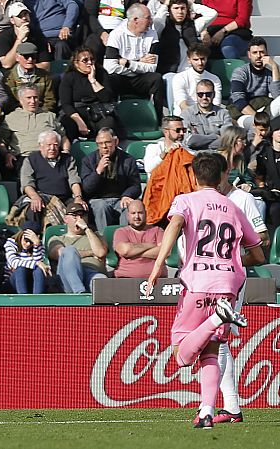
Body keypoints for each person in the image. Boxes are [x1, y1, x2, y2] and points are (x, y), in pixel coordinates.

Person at [146, 152, 264, 429]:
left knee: (182, 356)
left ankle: (215, 318)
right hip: (228, 284)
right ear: (223, 175)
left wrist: (157, 266)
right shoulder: (233, 207)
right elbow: (258, 254)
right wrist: (232, 263)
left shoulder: (185, 200)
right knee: (212, 350)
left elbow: (174, 225)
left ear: (193, 176)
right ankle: (207, 412)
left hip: (198, 282)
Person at [213, 152, 269, 424]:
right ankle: (231, 407)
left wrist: (233, 259)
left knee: (218, 337)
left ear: (226, 173)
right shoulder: (207, 199)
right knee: (216, 338)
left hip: (231, 278)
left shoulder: (243, 199)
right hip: (207, 278)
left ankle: (212, 405)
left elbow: (263, 238)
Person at [103, 4, 164, 121]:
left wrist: (128, 63)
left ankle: (158, 120)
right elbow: (109, 67)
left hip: (141, 79)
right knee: (110, 78)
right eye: (148, 18)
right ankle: (112, 120)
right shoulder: (116, 34)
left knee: (156, 78)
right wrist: (139, 61)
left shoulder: (152, 34)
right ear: (135, 20)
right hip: (121, 79)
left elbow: (152, 68)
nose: (151, 21)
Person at [18, 130, 86, 226]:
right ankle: (33, 238)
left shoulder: (68, 159)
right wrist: (34, 196)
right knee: (33, 207)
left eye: (55, 145)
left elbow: (74, 180)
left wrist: (78, 197)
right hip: (41, 197)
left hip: (64, 199)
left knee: (79, 208)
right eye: (48, 145)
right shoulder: (30, 160)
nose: (52, 148)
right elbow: (27, 183)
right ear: (40, 145)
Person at [80, 128, 141, 229]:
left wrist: (127, 195)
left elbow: (135, 185)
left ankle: (124, 239)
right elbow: (86, 189)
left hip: (120, 198)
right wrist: (98, 171)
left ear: (116, 141)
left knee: (129, 207)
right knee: (101, 206)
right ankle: (104, 239)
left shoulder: (128, 160)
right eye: (100, 143)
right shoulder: (88, 160)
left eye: (107, 142)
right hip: (98, 200)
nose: (104, 146)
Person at [1, 85, 68, 175]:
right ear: (21, 100)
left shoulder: (49, 116)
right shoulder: (11, 118)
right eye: (29, 98)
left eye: (35, 97)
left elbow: (63, 137)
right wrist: (6, 154)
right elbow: (2, 141)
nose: (33, 101)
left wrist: (66, 151)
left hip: (47, 156)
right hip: (23, 157)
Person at [59, 46, 121, 142]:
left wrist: (93, 80)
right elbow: (66, 104)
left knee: (109, 123)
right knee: (67, 123)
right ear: (76, 63)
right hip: (77, 112)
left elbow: (106, 98)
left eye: (92, 60)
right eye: (85, 60)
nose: (89, 63)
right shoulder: (69, 77)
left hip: (98, 111)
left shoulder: (101, 73)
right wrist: (79, 122)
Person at [48, 202, 108, 293]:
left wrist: (87, 229)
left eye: (82, 215)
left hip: (91, 274)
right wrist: (91, 253)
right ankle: (80, 292)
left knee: (102, 281)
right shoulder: (57, 239)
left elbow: (100, 253)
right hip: (68, 276)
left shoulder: (96, 236)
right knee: (69, 250)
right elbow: (60, 253)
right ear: (66, 219)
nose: (79, 219)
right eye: (75, 216)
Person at [228, 37, 280, 130]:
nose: (259, 56)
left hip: (264, 111)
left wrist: (274, 67)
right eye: (255, 53)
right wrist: (258, 117)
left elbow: (277, 97)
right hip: (244, 115)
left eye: (262, 52)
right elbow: (238, 100)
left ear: (267, 54)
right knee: (263, 124)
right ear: (249, 55)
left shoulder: (269, 73)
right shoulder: (240, 72)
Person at [113, 199, 167, 279]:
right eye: (133, 213)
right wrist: (151, 245)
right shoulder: (121, 232)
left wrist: (134, 252)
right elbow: (125, 251)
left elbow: (165, 252)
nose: (137, 217)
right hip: (125, 279)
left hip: (158, 280)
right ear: (128, 215)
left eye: (140, 213)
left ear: (146, 214)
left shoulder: (158, 230)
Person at [181, 79, 233, 152]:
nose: (204, 97)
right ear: (196, 95)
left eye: (208, 94)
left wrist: (200, 142)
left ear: (214, 94)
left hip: (218, 155)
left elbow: (227, 140)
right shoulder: (186, 114)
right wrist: (216, 136)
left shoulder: (224, 113)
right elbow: (189, 141)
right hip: (195, 156)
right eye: (200, 94)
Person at [0, 1, 51, 71]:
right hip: (12, 77)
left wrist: (25, 67)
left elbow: (45, 65)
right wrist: (19, 39)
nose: (24, 18)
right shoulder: (4, 36)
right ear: (12, 20)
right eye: (19, 16)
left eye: (26, 14)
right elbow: (6, 64)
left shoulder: (37, 35)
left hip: (35, 75)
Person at [170, 43, 222, 114]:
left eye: (202, 59)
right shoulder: (179, 78)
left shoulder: (215, 79)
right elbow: (182, 104)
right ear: (189, 60)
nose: (200, 63)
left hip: (209, 115)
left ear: (206, 58)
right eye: (196, 59)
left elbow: (216, 104)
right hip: (185, 116)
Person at [5, 41, 55, 112]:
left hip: (41, 113)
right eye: (26, 56)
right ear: (17, 57)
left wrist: (41, 112)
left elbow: (49, 100)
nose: (30, 59)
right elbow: (9, 102)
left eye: (33, 56)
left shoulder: (45, 76)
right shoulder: (8, 78)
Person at [4, 220, 49, 294]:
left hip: (31, 281)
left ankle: (38, 299)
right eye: (26, 240)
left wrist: (36, 245)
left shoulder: (38, 245)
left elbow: (40, 263)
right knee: (20, 269)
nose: (28, 244)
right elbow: (14, 263)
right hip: (13, 282)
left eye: (31, 242)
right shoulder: (11, 243)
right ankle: (23, 300)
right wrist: (36, 264)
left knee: (39, 270)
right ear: (21, 235)